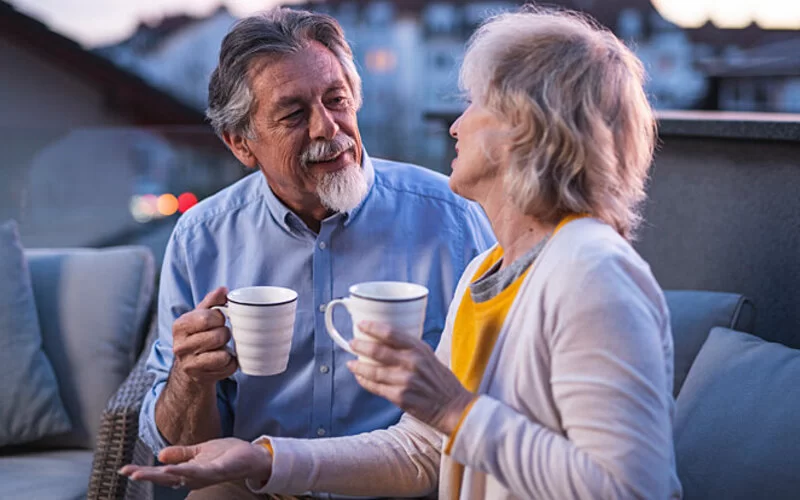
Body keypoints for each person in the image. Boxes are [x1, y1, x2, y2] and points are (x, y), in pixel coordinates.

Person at [124, 7, 683, 499]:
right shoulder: (488, 273)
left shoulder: (592, 271)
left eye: (477, 103)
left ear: (527, 132)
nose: (456, 124)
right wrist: (267, 459)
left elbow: (634, 488)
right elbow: (422, 449)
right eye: (294, 114)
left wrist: (454, 409)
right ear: (241, 143)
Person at [135, 6, 494, 495]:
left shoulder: (453, 216)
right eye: (294, 114)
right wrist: (189, 378)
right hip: (254, 486)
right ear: (241, 143)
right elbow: (179, 448)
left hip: (404, 480)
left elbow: (493, 392)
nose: (328, 128)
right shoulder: (202, 237)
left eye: (337, 100)